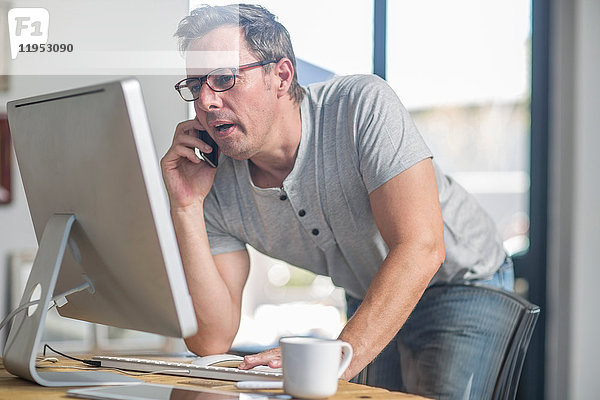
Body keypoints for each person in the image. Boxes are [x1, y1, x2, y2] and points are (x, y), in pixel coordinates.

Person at [161, 4, 514, 399]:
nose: (205, 102)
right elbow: (212, 339)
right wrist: (186, 207)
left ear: (280, 75)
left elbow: (422, 248)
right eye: (195, 86)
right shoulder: (211, 179)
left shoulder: (361, 105)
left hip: (460, 281)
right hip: (371, 289)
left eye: (224, 79)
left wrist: (335, 357)